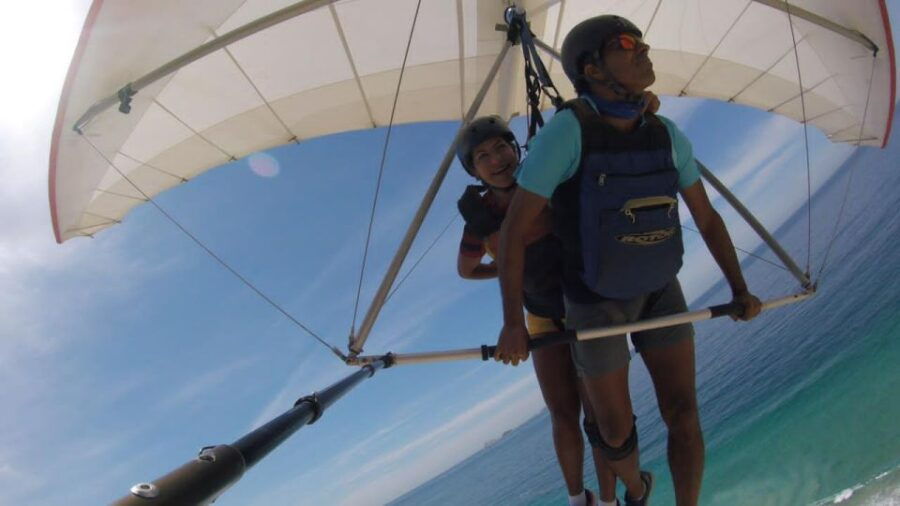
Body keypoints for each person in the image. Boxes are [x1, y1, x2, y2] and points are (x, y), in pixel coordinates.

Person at [494, 15, 762, 506]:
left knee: (683, 411)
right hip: (594, 300)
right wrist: (514, 323)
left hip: (660, 286)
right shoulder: (568, 133)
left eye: (640, 41)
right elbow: (512, 232)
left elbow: (706, 217)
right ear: (592, 69)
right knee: (614, 431)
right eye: (625, 43)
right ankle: (637, 491)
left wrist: (739, 289)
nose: (643, 49)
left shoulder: (664, 133)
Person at [455, 116, 614, 506]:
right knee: (563, 413)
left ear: (516, 149)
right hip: (540, 317)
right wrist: (510, 268)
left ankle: (609, 500)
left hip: (584, 308)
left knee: (598, 413)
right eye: (483, 156)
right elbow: (468, 269)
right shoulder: (482, 218)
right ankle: (579, 499)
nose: (496, 160)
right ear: (474, 170)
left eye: (501, 148)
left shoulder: (546, 182)